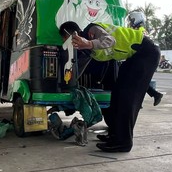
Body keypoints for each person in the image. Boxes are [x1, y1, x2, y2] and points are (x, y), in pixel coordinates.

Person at [59, 21, 160, 152]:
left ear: (71, 34)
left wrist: (89, 43)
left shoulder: (92, 29)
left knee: (127, 99)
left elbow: (109, 40)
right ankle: (114, 136)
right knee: (116, 96)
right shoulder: (87, 49)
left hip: (146, 52)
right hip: (133, 57)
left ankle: (123, 142)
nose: (65, 42)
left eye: (64, 38)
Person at [128, 11, 163, 106]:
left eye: (132, 20)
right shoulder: (141, 29)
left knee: (138, 79)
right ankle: (154, 95)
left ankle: (152, 96)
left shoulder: (140, 30)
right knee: (140, 79)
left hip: (145, 58)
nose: (130, 22)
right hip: (146, 57)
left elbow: (136, 44)